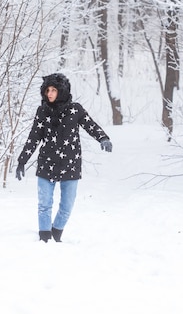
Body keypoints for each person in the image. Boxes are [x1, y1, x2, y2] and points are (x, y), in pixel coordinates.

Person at [16, 73, 112, 242]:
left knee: (67, 206)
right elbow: (34, 137)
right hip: (47, 163)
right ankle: (44, 239)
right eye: (47, 90)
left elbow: (90, 125)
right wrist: (22, 160)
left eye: (53, 90)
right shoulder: (42, 111)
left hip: (70, 163)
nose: (50, 94)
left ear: (61, 91)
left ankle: (56, 233)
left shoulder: (75, 109)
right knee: (44, 205)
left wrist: (103, 138)